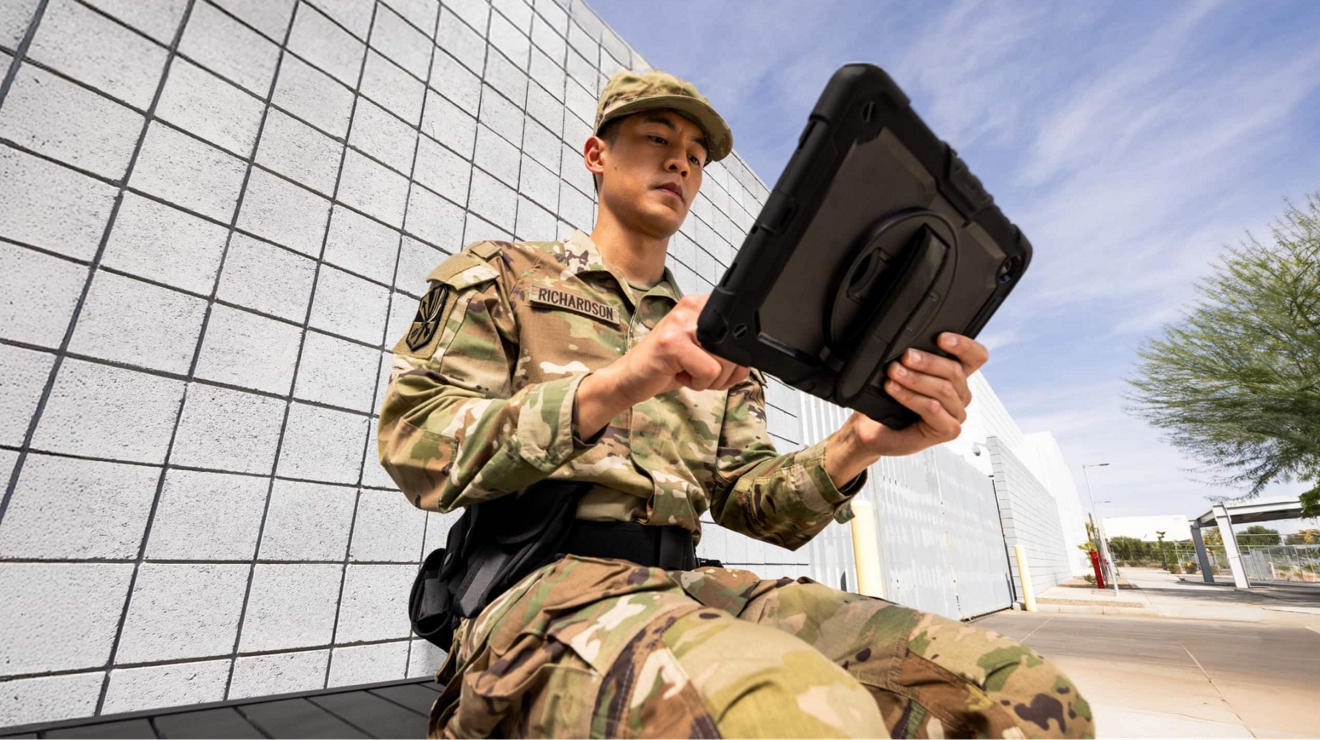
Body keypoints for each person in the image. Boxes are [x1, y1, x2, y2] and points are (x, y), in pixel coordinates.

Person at [378, 69, 1093, 739]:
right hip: (535, 595)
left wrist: (861, 442)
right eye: (657, 140)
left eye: (695, 155)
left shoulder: (717, 332)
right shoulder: (500, 276)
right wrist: (624, 379)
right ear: (597, 154)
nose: (680, 163)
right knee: (792, 714)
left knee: (1023, 698)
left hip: (688, 588)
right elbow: (416, 446)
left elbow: (751, 502)